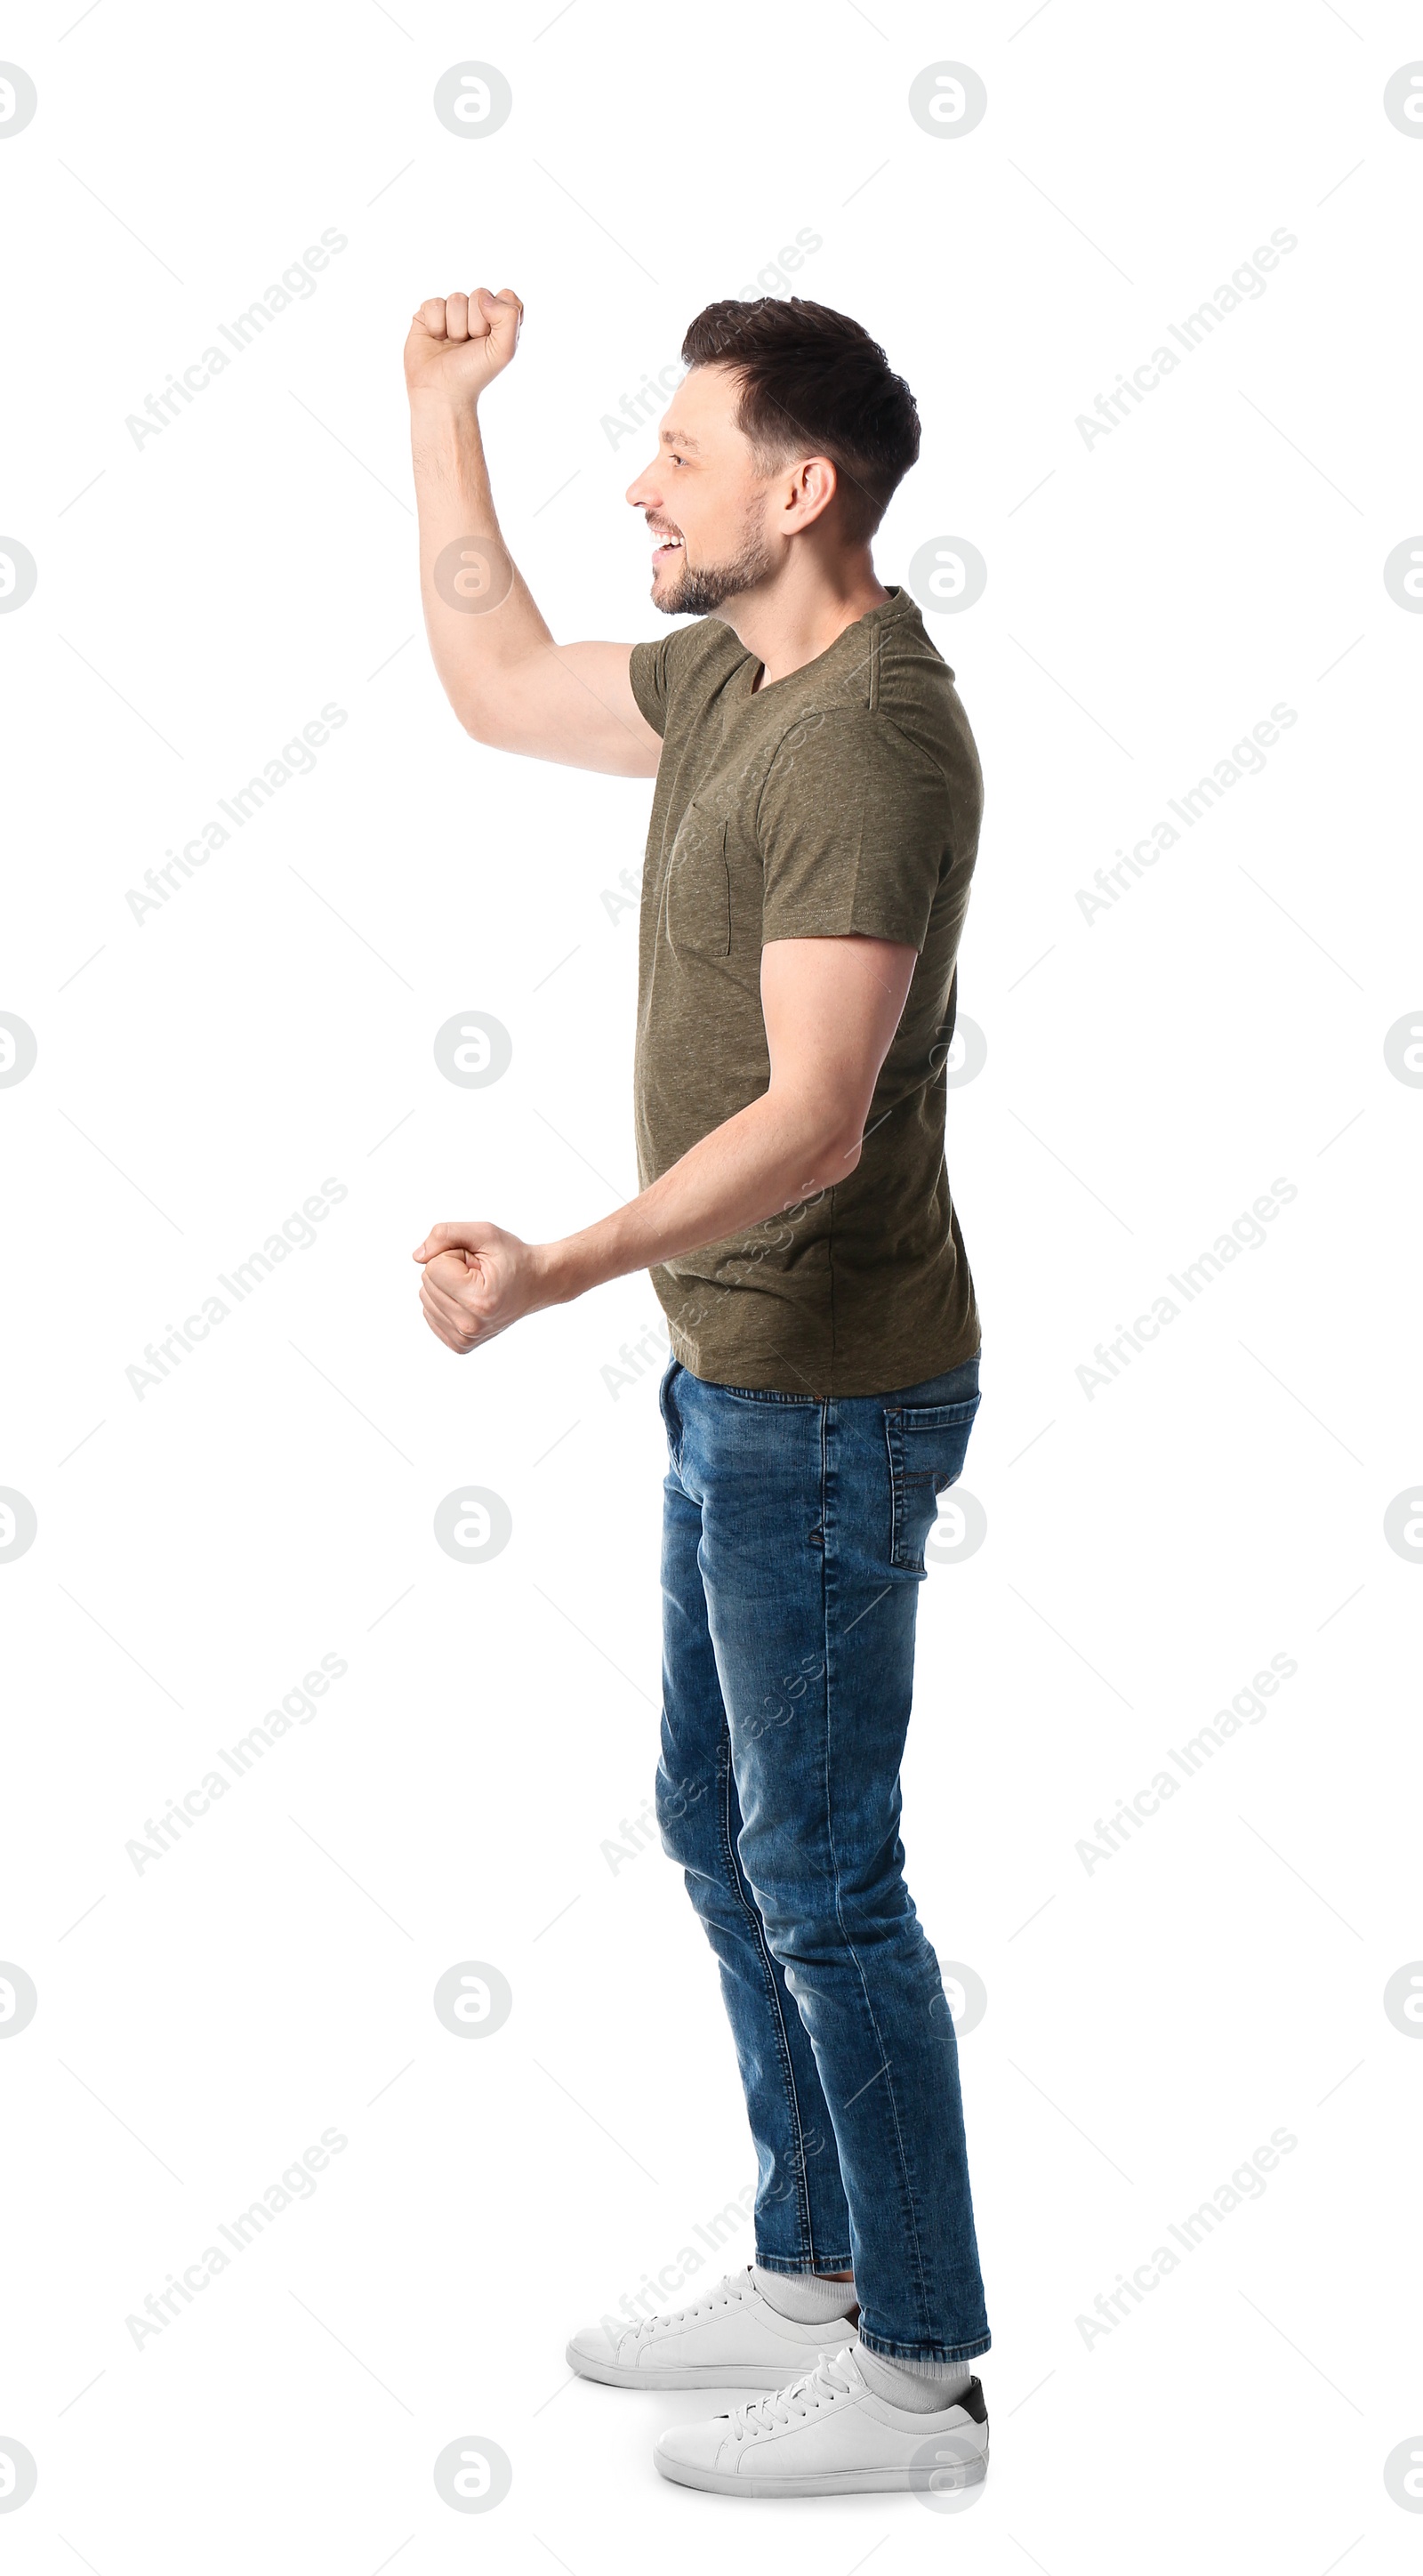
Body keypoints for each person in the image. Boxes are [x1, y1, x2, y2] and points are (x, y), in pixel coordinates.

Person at [405, 285, 991, 2499]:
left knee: (823, 1873)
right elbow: (491, 682)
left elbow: (818, 1114)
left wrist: (556, 1260)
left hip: (824, 1396)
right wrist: (432, 411)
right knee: (715, 1824)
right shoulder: (748, 677)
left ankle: (918, 2369)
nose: (638, 480)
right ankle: (815, 2259)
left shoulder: (859, 744)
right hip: (735, 1371)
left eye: (673, 451)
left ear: (796, 487)